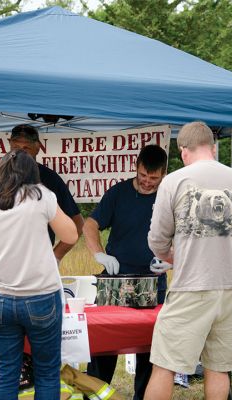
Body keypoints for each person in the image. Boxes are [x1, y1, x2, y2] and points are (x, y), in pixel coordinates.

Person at [143, 121, 232, 400]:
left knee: (165, 365)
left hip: (192, 287)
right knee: (219, 369)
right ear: (214, 148)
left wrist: (176, 259)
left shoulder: (175, 180)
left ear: (183, 151)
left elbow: (157, 239)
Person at [82, 144, 169, 400]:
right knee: (103, 346)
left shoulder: (168, 196)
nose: (147, 182)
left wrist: (171, 259)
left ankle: (143, 396)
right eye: (143, 175)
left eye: (154, 178)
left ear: (164, 174)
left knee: (151, 349)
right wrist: (100, 254)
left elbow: (184, 234)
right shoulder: (118, 193)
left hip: (154, 281)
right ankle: (93, 395)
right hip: (115, 282)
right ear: (136, 167)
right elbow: (90, 225)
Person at [0, 149, 78, 399]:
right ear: (33, 173)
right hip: (41, 297)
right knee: (47, 372)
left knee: (6, 372)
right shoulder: (42, 197)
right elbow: (71, 235)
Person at [0, 124, 83, 262]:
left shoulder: (50, 181)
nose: (20, 153)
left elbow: (77, 224)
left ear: (37, 148)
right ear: (9, 144)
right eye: (16, 147)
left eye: (26, 148)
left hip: (37, 262)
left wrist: (56, 257)